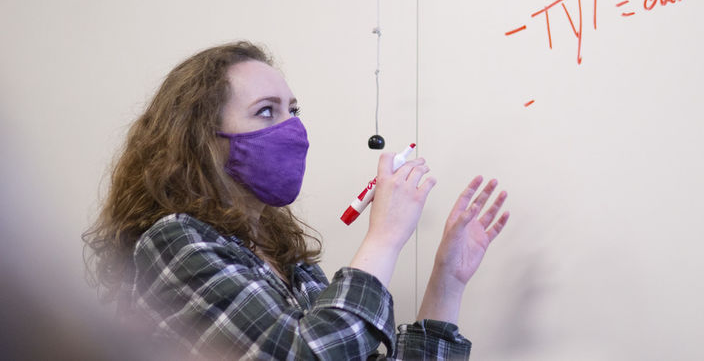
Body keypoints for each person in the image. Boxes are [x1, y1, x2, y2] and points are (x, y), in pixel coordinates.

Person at [84, 41, 509, 360]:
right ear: (200, 140)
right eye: (266, 111)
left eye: (294, 110)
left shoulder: (293, 264)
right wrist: (383, 238)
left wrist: (447, 280)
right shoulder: (173, 244)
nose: (293, 129)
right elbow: (308, 355)